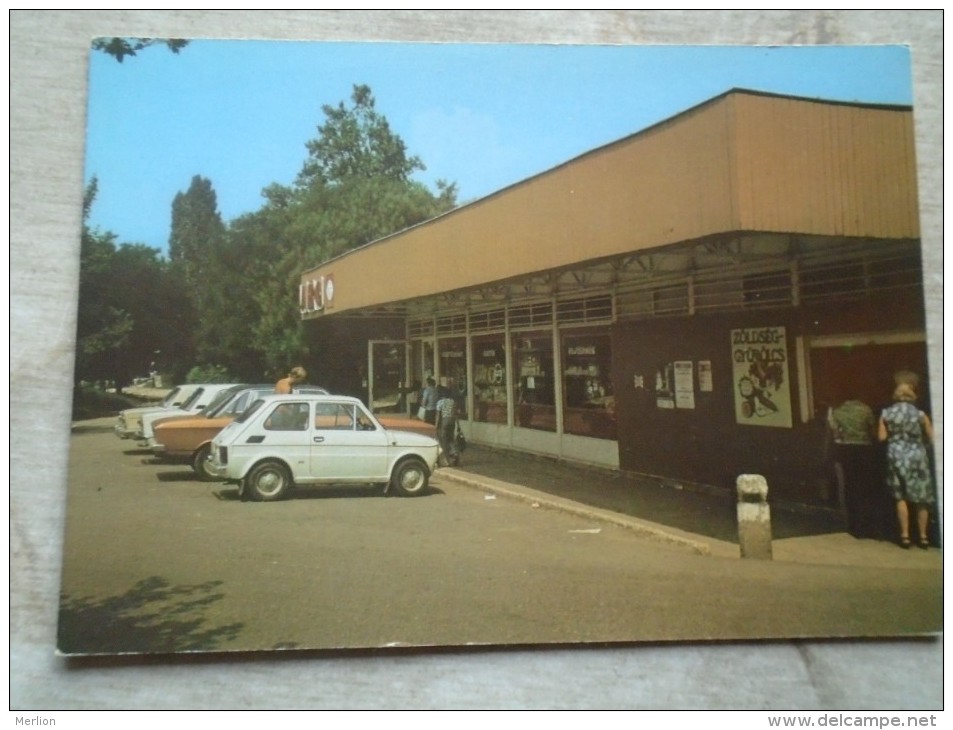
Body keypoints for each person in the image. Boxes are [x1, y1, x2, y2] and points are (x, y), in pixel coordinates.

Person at [878, 382, 936, 549]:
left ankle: (905, 536)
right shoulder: (920, 414)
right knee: (921, 498)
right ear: (912, 395)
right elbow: (932, 437)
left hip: (896, 455)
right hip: (917, 455)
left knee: (900, 496)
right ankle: (924, 537)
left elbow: (881, 437)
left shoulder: (886, 414)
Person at [827, 394, 883, 539]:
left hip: (845, 449)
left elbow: (835, 432)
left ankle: (854, 525)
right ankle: (868, 525)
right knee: (865, 486)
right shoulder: (866, 409)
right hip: (864, 449)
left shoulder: (838, 411)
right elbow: (873, 431)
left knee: (849, 487)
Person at [435, 387, 459, 466]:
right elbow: (455, 413)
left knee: (444, 440)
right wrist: (458, 424)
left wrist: (436, 425)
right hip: (452, 421)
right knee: (451, 438)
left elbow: (438, 416)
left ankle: (447, 459)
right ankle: (455, 453)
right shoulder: (452, 402)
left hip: (444, 421)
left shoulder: (440, 402)